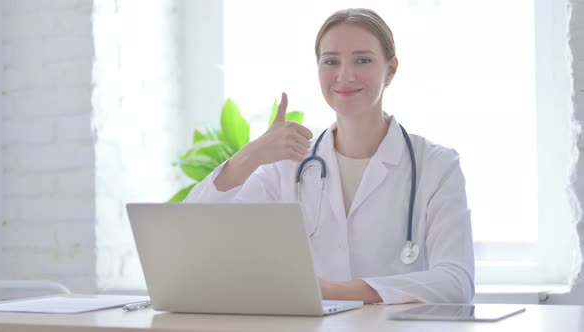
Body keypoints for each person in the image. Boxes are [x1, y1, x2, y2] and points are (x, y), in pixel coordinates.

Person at [186, 8, 474, 305]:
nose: (345, 75)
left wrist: (330, 292)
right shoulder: (290, 164)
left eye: (362, 60)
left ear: (390, 70)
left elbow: (456, 281)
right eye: (331, 61)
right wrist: (250, 156)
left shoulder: (437, 165)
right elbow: (192, 232)